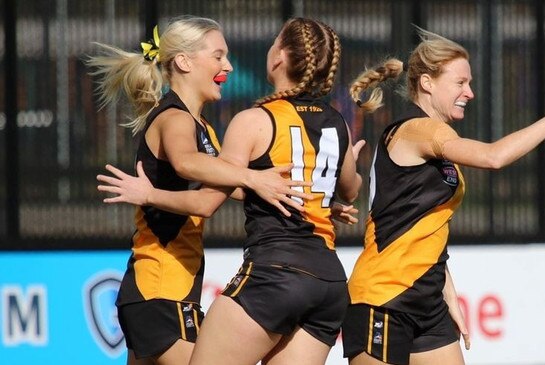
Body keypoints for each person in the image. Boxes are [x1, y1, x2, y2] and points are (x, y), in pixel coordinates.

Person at [97, 17, 363, 365]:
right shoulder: (175, 118)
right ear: (184, 61)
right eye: (219, 56)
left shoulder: (205, 126)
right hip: (161, 287)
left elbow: (224, 187)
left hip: (170, 289)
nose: (228, 65)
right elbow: (189, 168)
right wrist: (255, 179)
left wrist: (310, 200)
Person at [342, 29, 545, 365]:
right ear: (427, 83)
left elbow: (424, 224)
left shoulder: (437, 141)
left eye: (470, 83)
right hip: (383, 297)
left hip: (428, 301)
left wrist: (447, 292)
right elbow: (494, 157)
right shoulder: (420, 130)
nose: (470, 92)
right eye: (460, 82)